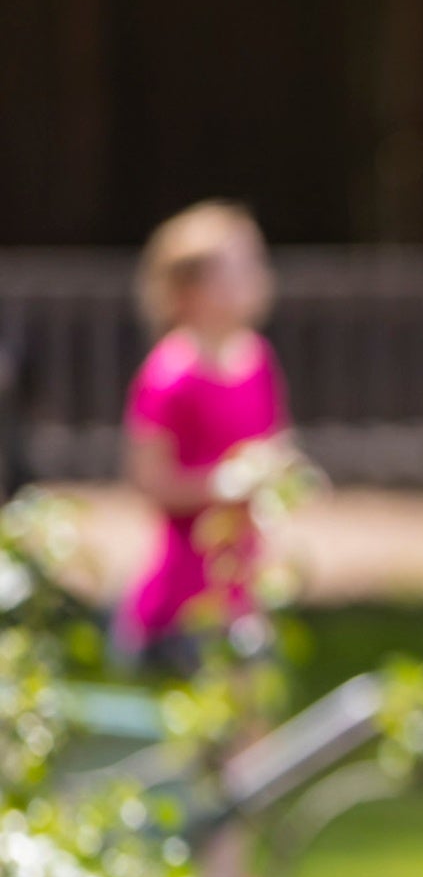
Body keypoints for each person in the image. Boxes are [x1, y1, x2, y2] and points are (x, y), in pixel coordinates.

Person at [118, 200, 292, 675]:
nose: (257, 276)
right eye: (237, 268)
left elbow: (274, 447)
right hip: (184, 603)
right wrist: (223, 485)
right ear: (188, 290)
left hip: (243, 588)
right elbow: (150, 480)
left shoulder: (257, 360)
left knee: (254, 732)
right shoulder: (169, 377)